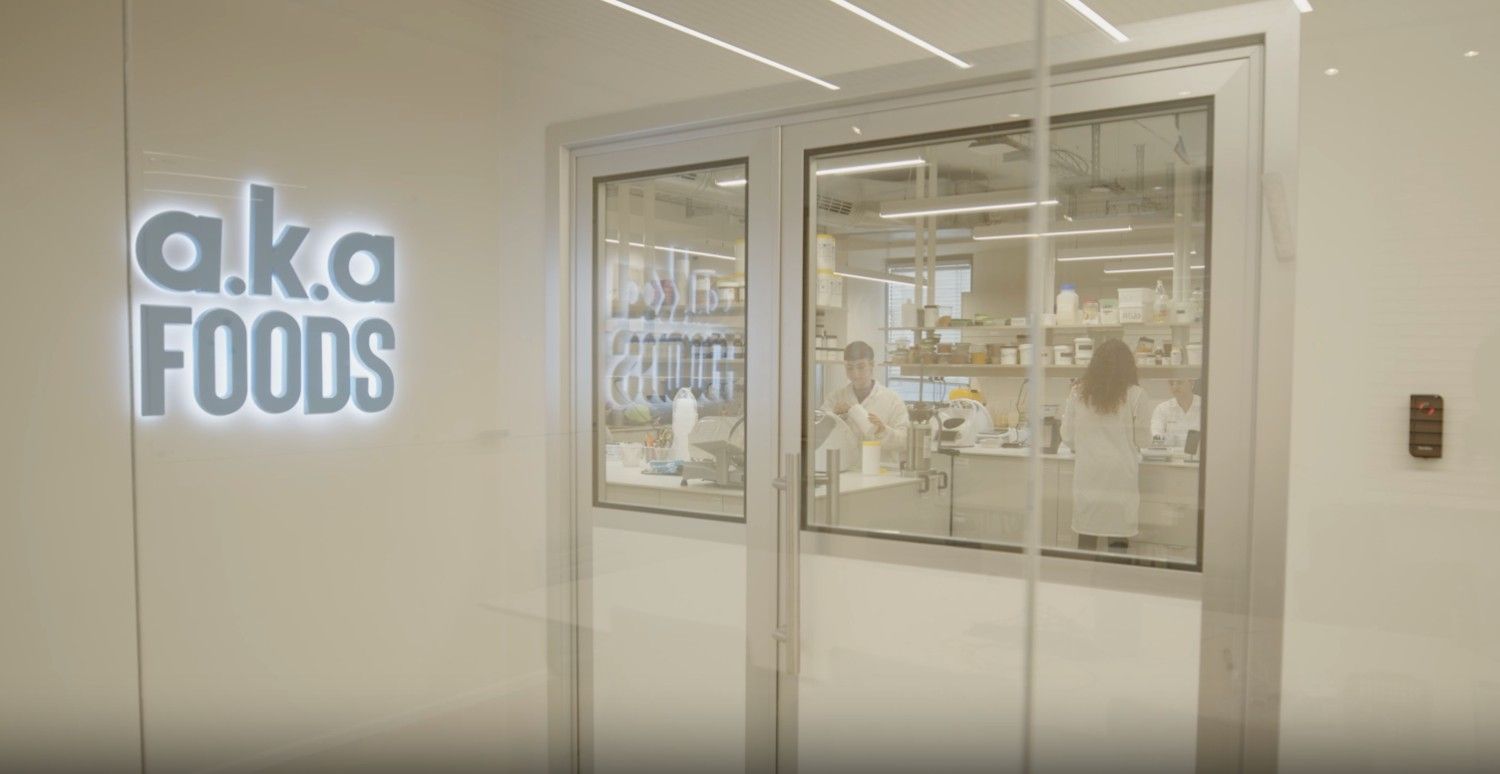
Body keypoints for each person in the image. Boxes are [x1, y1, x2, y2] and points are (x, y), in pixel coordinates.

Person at [1060, 338, 1152, 553]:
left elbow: (1068, 437)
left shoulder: (1078, 393)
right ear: (1128, 366)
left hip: (1088, 474)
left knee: (1086, 533)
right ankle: (1114, 573)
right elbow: (1143, 441)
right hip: (1120, 476)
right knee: (1118, 538)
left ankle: (1083, 574)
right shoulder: (1137, 395)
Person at [820, 340, 909, 466]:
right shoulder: (835, 398)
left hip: (881, 470)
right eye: (849, 368)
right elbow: (819, 433)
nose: (855, 373)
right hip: (845, 469)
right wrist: (833, 418)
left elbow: (904, 441)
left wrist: (883, 430)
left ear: (872, 365)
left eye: (861, 367)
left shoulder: (892, 400)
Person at [1150, 378, 1201, 449]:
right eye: (1171, 383)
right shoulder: (1162, 409)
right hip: (1170, 456)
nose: (1174, 387)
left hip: (1201, 455)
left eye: (1179, 382)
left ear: (1192, 382)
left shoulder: (1205, 406)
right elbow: (1156, 438)